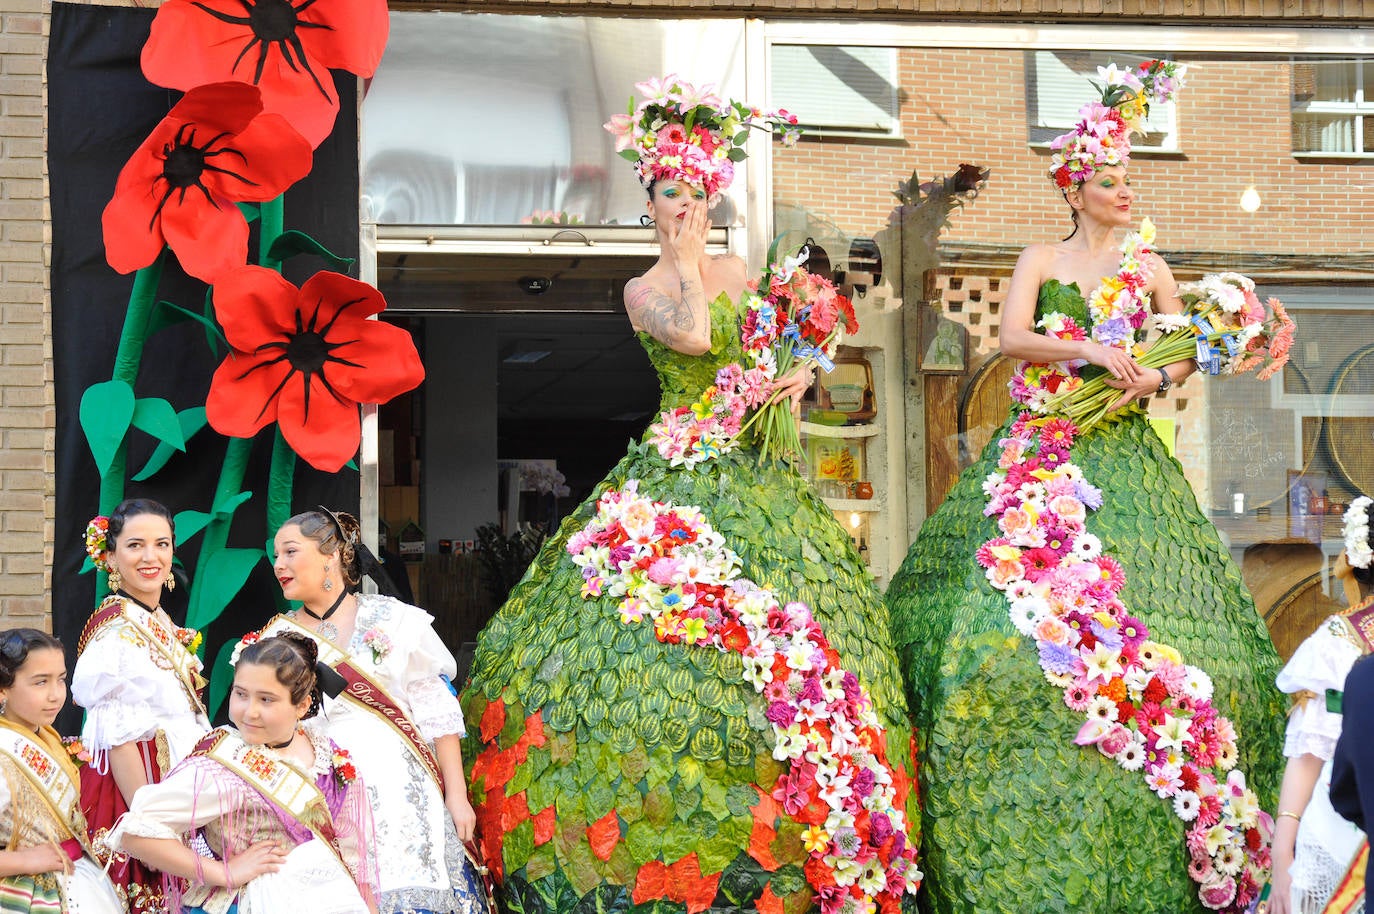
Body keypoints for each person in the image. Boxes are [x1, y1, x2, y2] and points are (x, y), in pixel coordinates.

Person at [460, 75, 920, 914]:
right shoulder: (641, 287)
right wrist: (682, 259)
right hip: (677, 456)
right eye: (671, 192)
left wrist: (797, 373)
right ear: (651, 201)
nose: (686, 205)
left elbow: (766, 348)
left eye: (696, 190)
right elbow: (700, 337)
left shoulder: (741, 266)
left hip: (756, 465)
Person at [885, 61, 1284, 913]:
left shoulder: (1151, 264)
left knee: (1172, 615)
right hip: (1044, 438)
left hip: (1127, 449)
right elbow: (1014, 335)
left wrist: (1155, 376)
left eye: (1126, 179)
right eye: (1108, 181)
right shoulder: (1039, 255)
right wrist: (1092, 353)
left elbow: (1179, 355)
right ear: (1076, 192)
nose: (1123, 192)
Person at [252, 508, 485, 914]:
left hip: (400, 789)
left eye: (290, 552)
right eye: (276, 556)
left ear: (330, 557)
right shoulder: (274, 639)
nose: (279, 565)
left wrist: (457, 795)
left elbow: (437, 715)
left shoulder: (396, 620)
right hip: (319, 791)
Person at [110, 633, 377, 914]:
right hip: (250, 902)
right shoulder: (223, 766)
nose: (249, 712)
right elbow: (135, 831)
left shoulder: (327, 754)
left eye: (266, 699)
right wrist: (223, 872)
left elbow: (352, 857)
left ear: (301, 705)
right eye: (240, 694)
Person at [72, 498, 211, 913]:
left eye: (161, 544)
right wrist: (149, 825)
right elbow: (120, 741)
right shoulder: (116, 634)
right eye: (135, 546)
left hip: (176, 788)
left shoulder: (156, 618)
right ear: (111, 556)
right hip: (139, 793)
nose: (151, 557)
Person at [1268, 496, 1373, 914]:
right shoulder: (1338, 641)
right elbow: (1311, 749)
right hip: (1343, 844)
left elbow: (1311, 754)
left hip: (1345, 827)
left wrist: (1282, 850)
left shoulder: (1338, 639)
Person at [0, 627, 124, 914]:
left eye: (61, 680)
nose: (56, 694)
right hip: (29, 892)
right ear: (3, 688)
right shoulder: (5, 752)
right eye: (40, 682)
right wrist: (23, 861)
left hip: (75, 878)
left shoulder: (46, 735)